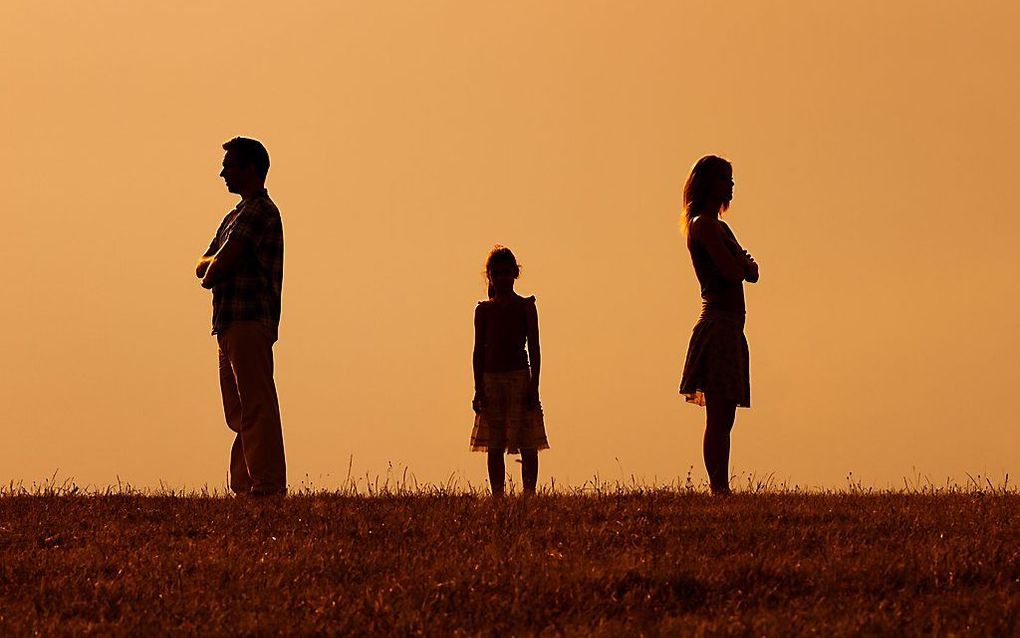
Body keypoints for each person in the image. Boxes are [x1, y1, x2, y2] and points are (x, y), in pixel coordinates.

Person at [196, 136, 287, 497]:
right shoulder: (234, 216)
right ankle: (247, 485)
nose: (223, 173)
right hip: (230, 322)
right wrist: (212, 266)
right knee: (239, 409)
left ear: (250, 169)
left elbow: (218, 264)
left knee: (255, 404)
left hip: (249, 320)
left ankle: (267, 484)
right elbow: (205, 262)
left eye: (229, 166)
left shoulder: (259, 212)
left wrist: (213, 267)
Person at [678, 155, 759, 495]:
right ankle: (718, 487)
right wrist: (741, 260)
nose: (731, 186)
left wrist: (741, 262)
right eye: (726, 179)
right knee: (718, 415)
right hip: (718, 324)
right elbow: (733, 270)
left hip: (731, 326)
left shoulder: (720, 226)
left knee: (725, 414)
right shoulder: (703, 225)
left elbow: (752, 272)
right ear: (709, 183)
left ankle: (720, 485)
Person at [470, 246, 549, 495]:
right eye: (497, 273)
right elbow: (478, 351)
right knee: (494, 443)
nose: (502, 278)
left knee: (527, 441)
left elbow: (535, 348)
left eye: (506, 272)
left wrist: (534, 384)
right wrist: (478, 388)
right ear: (490, 276)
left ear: (515, 273)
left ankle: (529, 493)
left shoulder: (526, 307)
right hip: (491, 379)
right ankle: (498, 495)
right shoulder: (483, 310)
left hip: (519, 378)